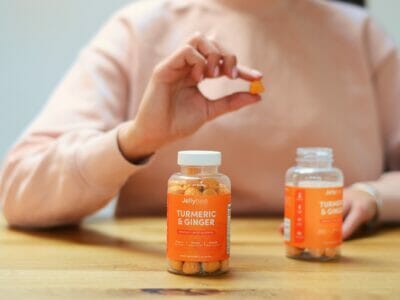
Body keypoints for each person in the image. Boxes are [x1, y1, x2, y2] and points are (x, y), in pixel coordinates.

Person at [0, 0, 399, 240]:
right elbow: (19, 191)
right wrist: (136, 140)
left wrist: (374, 196)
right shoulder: (137, 29)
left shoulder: (360, 35)